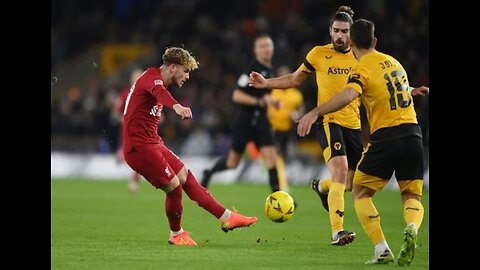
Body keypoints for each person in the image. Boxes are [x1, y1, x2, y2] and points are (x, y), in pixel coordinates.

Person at [296, 19, 429, 265]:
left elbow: (348, 94)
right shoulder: (394, 63)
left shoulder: (361, 67)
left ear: (352, 41)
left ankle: (382, 249)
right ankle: (412, 227)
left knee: (359, 191)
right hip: (414, 135)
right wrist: (412, 90)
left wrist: (315, 112)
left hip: (386, 138)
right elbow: (388, 87)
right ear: (375, 40)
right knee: (412, 195)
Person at [123, 47, 257, 246]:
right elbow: (159, 92)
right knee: (174, 187)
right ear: (173, 68)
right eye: (185, 71)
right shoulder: (152, 80)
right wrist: (177, 106)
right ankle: (176, 234)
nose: (187, 76)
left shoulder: (154, 78)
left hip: (152, 141)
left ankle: (227, 217)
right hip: (139, 147)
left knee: (185, 175)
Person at [249, 6, 360, 246]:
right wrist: (266, 82)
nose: (340, 36)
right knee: (340, 172)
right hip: (330, 122)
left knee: (351, 183)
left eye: (345, 31)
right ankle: (337, 231)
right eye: (337, 31)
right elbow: (293, 79)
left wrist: (410, 90)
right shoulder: (319, 54)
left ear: (352, 33)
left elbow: (382, 83)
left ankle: (322, 187)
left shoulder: (362, 56)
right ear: (330, 31)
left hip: (355, 125)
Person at [201, 34, 282, 193]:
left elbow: (262, 94)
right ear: (256, 50)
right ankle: (208, 173)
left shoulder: (270, 70)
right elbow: (237, 95)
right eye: (262, 46)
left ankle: (278, 198)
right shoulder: (251, 70)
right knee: (232, 163)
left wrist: (269, 101)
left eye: (268, 46)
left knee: (272, 159)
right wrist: (259, 102)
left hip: (261, 122)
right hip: (245, 121)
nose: (266, 49)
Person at [267, 65, 304, 190]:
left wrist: (296, 115)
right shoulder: (272, 92)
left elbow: (300, 111)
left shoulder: (296, 95)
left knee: (282, 156)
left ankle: (280, 182)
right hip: (273, 129)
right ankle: (281, 184)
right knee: (276, 155)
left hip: (287, 130)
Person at [113, 68, 143, 193]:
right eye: (135, 78)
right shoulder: (125, 94)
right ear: (131, 80)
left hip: (142, 132)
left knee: (140, 157)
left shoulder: (146, 94)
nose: (137, 80)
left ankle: (134, 182)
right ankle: (133, 180)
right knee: (135, 157)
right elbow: (115, 112)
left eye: (139, 77)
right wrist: (123, 120)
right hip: (127, 133)